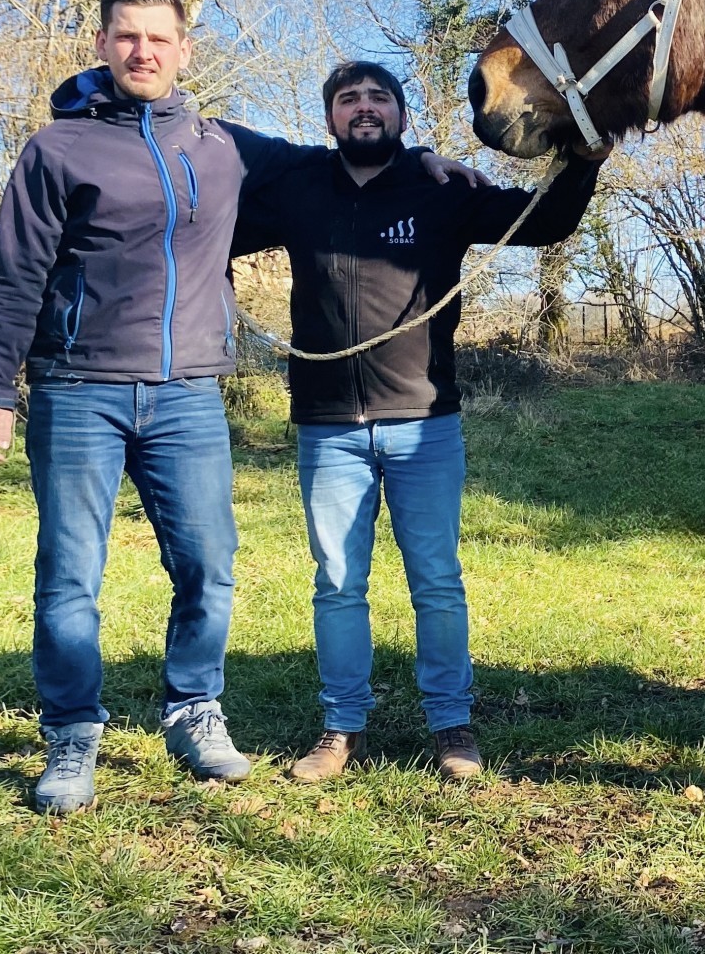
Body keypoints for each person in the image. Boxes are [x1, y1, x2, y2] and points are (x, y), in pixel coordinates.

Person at [0, 0, 482, 815]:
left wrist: (423, 170)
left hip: (189, 395)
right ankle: (71, 735)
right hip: (75, 388)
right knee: (69, 574)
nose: (143, 51)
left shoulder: (225, 148)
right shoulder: (56, 151)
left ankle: (193, 708)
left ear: (183, 50)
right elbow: (15, 272)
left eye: (158, 38)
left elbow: (337, 168)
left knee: (209, 568)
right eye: (127, 37)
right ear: (102, 44)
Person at [232, 60, 600, 782]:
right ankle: (340, 729)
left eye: (378, 98)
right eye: (348, 100)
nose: (363, 109)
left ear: (400, 115)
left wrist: (585, 152)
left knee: (436, 579)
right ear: (330, 118)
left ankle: (451, 726)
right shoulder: (299, 188)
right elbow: (209, 226)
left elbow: (547, 221)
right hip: (326, 425)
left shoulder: (442, 190)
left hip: (425, 423)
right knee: (338, 582)